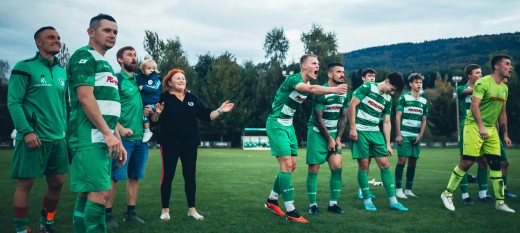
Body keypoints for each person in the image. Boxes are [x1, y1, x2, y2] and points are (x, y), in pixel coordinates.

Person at [264, 54, 348, 223]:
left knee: (292, 166)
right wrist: (334, 89)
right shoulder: (293, 80)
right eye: (314, 63)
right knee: (286, 166)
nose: (318, 66)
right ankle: (291, 210)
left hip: (289, 125)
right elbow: (310, 90)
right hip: (276, 124)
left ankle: (272, 199)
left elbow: (313, 90)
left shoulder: (309, 84)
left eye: (318, 63)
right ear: (304, 66)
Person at [67, 14, 127, 233]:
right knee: (101, 194)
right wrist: (107, 134)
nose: (112, 35)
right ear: (91, 32)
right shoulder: (84, 57)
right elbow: (85, 97)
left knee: (86, 194)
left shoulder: (105, 63)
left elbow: (109, 108)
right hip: (88, 136)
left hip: (102, 137)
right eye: (107, 30)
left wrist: (117, 139)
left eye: (115, 32)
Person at [150, 68, 234, 221]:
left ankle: (192, 210)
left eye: (183, 78)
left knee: (190, 176)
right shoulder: (162, 98)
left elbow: (207, 116)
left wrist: (221, 110)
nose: (182, 80)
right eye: (178, 78)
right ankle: (165, 210)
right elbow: (154, 121)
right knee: (167, 176)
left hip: (190, 143)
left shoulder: (192, 98)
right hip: (169, 143)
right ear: (169, 82)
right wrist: (158, 112)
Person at [8, 26, 68, 233]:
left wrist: (66, 132)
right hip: (33, 137)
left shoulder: (62, 71)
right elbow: (13, 102)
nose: (57, 40)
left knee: (57, 182)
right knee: (26, 183)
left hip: (58, 138)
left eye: (58, 38)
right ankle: (20, 229)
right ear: (38, 42)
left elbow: (65, 106)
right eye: (51, 37)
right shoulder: (24, 67)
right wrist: (26, 132)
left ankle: (46, 222)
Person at [440, 54, 515, 213]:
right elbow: (474, 106)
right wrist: (481, 126)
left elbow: (503, 114)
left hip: (491, 129)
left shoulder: (504, 88)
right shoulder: (483, 82)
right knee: (466, 162)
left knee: (496, 164)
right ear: (497, 66)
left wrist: (505, 134)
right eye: (507, 64)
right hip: (473, 125)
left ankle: (500, 202)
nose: (511, 67)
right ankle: (447, 194)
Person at [349, 72, 408, 212]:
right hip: (361, 131)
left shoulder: (388, 99)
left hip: (375, 132)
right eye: (392, 89)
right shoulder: (367, 87)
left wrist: (388, 144)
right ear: (387, 81)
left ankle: (393, 201)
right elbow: (352, 106)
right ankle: (367, 201)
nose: (393, 93)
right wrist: (353, 128)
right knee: (364, 166)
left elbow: (387, 122)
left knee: (385, 164)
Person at [105, 46, 149, 228]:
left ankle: (130, 212)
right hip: (122, 139)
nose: (134, 58)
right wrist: (120, 129)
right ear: (120, 60)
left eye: (135, 55)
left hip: (141, 138)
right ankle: (106, 214)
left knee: (134, 176)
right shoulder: (115, 79)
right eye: (129, 55)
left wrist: (153, 113)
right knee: (115, 176)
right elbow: (107, 108)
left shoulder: (140, 81)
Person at [306, 63, 349, 215]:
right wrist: (330, 139)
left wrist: (337, 138)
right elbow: (318, 119)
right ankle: (313, 206)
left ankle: (333, 204)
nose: (342, 74)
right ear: (330, 75)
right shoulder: (321, 91)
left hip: (333, 135)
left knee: (337, 167)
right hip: (317, 132)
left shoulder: (345, 92)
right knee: (314, 168)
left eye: (343, 72)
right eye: (338, 72)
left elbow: (343, 117)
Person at [455, 64, 491, 205]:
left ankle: (483, 194)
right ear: (469, 75)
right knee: (465, 161)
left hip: (482, 127)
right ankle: (465, 196)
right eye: (477, 73)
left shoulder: (483, 90)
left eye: (482, 73)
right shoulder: (461, 88)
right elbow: (468, 92)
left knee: (483, 160)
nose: (481, 75)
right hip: (468, 126)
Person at [394, 73, 428, 199]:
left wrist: (420, 135)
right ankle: (398, 190)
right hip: (404, 135)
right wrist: (398, 134)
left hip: (416, 136)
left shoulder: (424, 101)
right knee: (402, 161)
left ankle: (408, 190)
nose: (419, 84)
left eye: (420, 82)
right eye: (416, 82)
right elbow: (397, 116)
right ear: (410, 84)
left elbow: (424, 120)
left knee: (413, 163)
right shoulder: (404, 98)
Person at [356, 68, 378, 199]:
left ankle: (364, 189)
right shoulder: (360, 91)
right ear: (363, 78)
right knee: (363, 163)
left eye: (374, 76)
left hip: (371, 131)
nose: (372, 78)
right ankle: (361, 191)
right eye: (370, 76)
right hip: (360, 131)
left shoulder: (373, 93)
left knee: (368, 162)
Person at [137, 59, 161, 143]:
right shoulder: (141, 78)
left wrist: (143, 87)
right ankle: (146, 131)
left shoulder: (157, 79)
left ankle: (147, 131)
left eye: (154, 68)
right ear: (143, 70)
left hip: (153, 103)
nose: (152, 70)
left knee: (145, 114)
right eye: (149, 68)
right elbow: (135, 76)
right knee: (143, 115)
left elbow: (155, 88)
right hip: (145, 103)